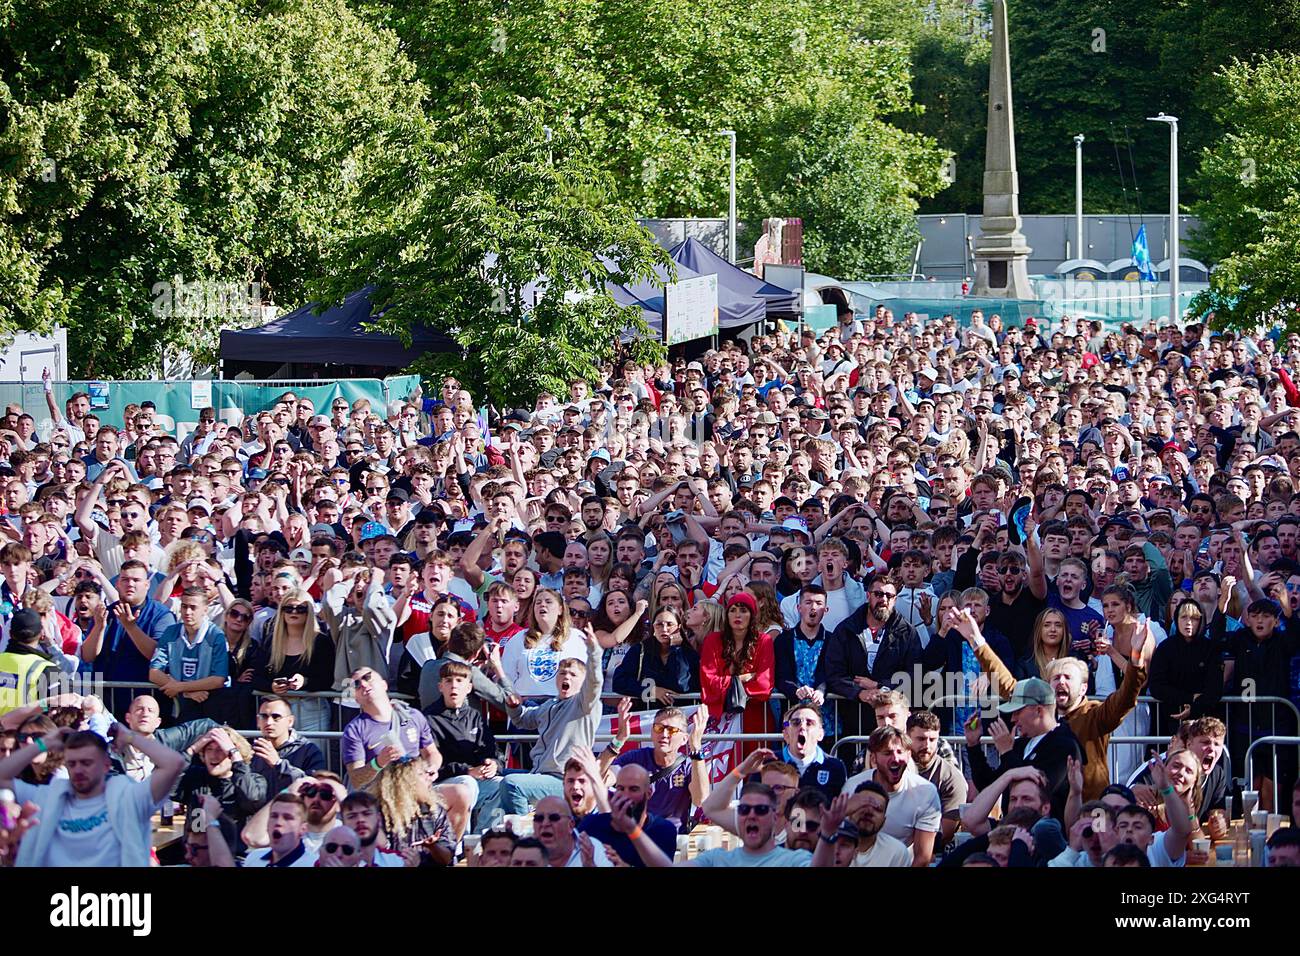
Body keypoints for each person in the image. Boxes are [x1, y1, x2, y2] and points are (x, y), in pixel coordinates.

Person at [0, 724, 186, 866]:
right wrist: (45, 742)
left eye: (86, 763)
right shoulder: (49, 797)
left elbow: (173, 763)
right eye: (72, 764)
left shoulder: (129, 797)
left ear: (106, 765)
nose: (78, 770)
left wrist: (129, 736)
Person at [496, 627, 603, 815]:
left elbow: (594, 683)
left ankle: (526, 834)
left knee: (512, 784)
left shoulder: (584, 704)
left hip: (565, 780)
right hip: (540, 775)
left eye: (572, 674)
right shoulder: (549, 706)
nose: (566, 677)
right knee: (494, 778)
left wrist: (594, 653)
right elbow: (522, 719)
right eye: (562, 673)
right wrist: (513, 705)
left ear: (582, 681)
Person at [965, 676, 1084, 822]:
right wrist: (973, 746)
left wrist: (1006, 753)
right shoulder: (1022, 744)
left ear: (1039, 711)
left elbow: (1035, 789)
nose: (1013, 719)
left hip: (1043, 834)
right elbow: (989, 784)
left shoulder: (1065, 745)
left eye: (1018, 712)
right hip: (1011, 828)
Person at [614, 782, 813, 867]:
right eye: (745, 810)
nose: (752, 815)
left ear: (774, 816)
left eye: (760, 810)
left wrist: (829, 836)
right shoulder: (716, 859)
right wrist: (633, 830)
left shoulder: (795, 860)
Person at [824, 578, 923, 740]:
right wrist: (860, 693)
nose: (883, 599)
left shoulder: (907, 633)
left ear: (895, 600)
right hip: (853, 720)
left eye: (889, 596)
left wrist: (880, 686)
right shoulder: (845, 630)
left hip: (892, 721)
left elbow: (915, 675)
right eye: (878, 594)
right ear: (868, 596)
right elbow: (834, 673)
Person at [840, 725, 941, 866]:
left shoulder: (925, 792)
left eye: (900, 752)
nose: (895, 759)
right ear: (873, 759)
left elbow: (922, 858)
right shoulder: (853, 786)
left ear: (909, 755)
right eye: (887, 753)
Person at [603, 703, 711, 832]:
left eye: (671, 730)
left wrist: (696, 749)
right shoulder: (635, 759)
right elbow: (603, 780)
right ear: (652, 733)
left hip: (673, 839)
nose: (664, 734)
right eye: (659, 728)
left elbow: (701, 800)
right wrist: (618, 740)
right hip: (637, 836)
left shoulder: (688, 765)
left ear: (684, 739)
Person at [423, 661, 503, 828]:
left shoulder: (475, 717)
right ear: (440, 687)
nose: (454, 686)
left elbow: (493, 752)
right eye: (448, 681)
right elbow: (429, 766)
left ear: (469, 688)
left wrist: (493, 765)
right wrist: (466, 770)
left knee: (501, 786)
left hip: (475, 778)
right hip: (441, 784)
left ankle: (481, 841)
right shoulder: (428, 719)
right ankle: (458, 846)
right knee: (467, 784)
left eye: (460, 681)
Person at [699, 592, 775, 754]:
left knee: (754, 767)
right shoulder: (712, 640)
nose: (738, 615)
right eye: (732, 610)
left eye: (743, 610)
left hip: (755, 716)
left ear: (752, 615)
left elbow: (764, 685)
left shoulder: (764, 641)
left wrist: (726, 685)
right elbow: (708, 681)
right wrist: (742, 679)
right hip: (721, 716)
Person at [148, 587, 229, 722]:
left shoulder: (216, 636)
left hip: (208, 708)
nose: (187, 612)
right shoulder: (171, 632)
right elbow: (154, 672)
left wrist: (179, 687)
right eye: (184, 606)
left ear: (205, 609)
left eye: (193, 607)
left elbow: (218, 679)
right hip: (178, 707)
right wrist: (187, 692)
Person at [578, 762, 678, 866]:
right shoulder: (591, 826)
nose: (625, 795)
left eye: (633, 789)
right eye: (620, 789)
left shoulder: (662, 830)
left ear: (648, 793)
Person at [247, 695, 327, 797]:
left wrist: (279, 764)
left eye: (276, 717)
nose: (269, 722)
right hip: (258, 811)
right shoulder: (251, 751)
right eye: (264, 716)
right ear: (258, 721)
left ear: (290, 721)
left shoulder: (308, 750)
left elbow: (314, 786)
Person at [812, 787, 912, 868]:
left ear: (884, 820)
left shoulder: (896, 852)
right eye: (863, 805)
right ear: (850, 810)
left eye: (877, 809)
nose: (868, 812)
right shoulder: (827, 838)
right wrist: (844, 811)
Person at [779, 702, 846, 797]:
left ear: (820, 734)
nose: (802, 727)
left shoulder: (835, 767)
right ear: (786, 734)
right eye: (796, 723)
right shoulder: (768, 763)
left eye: (809, 723)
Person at [242, 792, 319, 867]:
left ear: (303, 828)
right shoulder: (254, 858)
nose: (278, 822)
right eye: (274, 816)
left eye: (287, 818)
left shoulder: (314, 864)